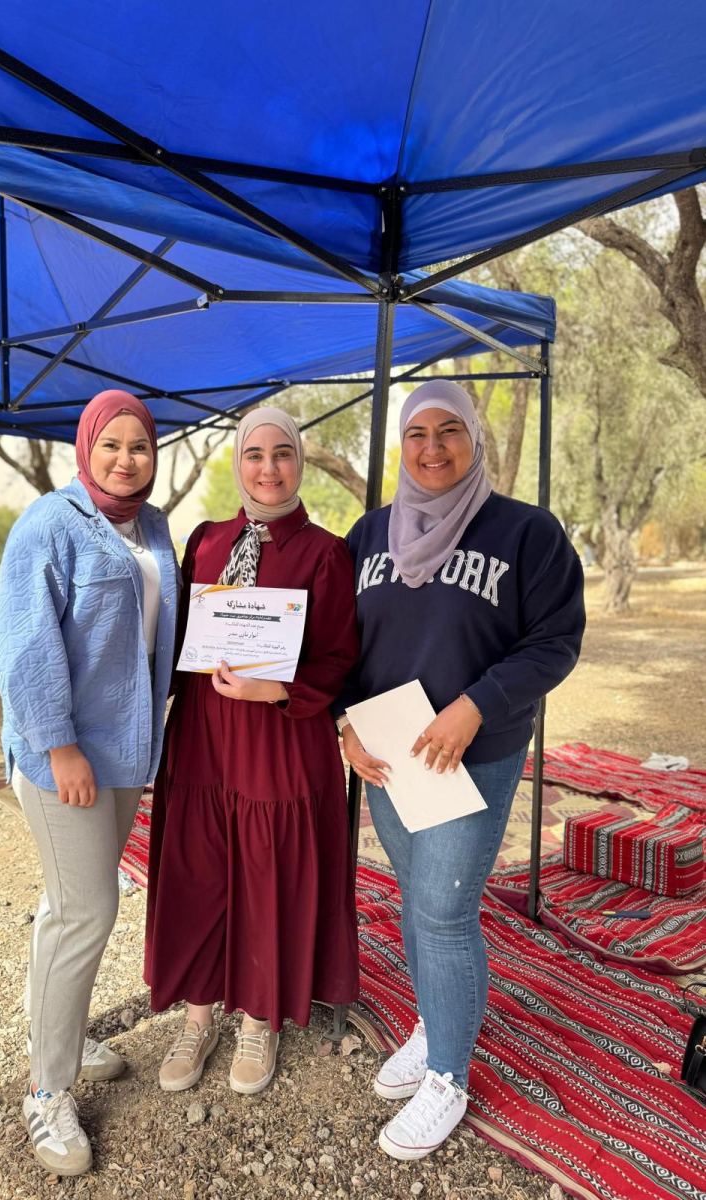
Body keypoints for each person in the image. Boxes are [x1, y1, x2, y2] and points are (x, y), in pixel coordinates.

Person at [338, 380, 584, 1162]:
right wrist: (345, 721)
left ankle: (448, 1075)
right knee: (417, 897)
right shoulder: (368, 535)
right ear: (401, 446)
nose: (433, 448)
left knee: (444, 909)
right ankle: (435, 1023)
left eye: (449, 431)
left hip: (472, 752)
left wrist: (477, 705)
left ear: (475, 438)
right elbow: (341, 641)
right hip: (390, 751)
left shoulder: (526, 533)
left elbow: (555, 641)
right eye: (417, 434)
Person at [145, 407, 360, 1096]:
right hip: (204, 738)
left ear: (300, 462)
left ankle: (260, 1017)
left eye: (282, 454)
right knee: (202, 868)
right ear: (238, 463)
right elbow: (178, 638)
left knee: (269, 870)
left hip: (279, 739)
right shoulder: (206, 540)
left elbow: (340, 657)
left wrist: (278, 689)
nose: (269, 468)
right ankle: (199, 1016)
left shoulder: (325, 552)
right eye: (255, 455)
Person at [0, 390, 178, 1176]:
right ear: (86, 447)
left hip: (126, 752)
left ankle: (58, 1033)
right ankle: (47, 1091)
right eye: (112, 445)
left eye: (140, 446)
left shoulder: (155, 527)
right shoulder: (49, 523)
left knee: (66, 905)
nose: (126, 459)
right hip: (63, 757)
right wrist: (60, 745)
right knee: (88, 909)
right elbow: (25, 645)